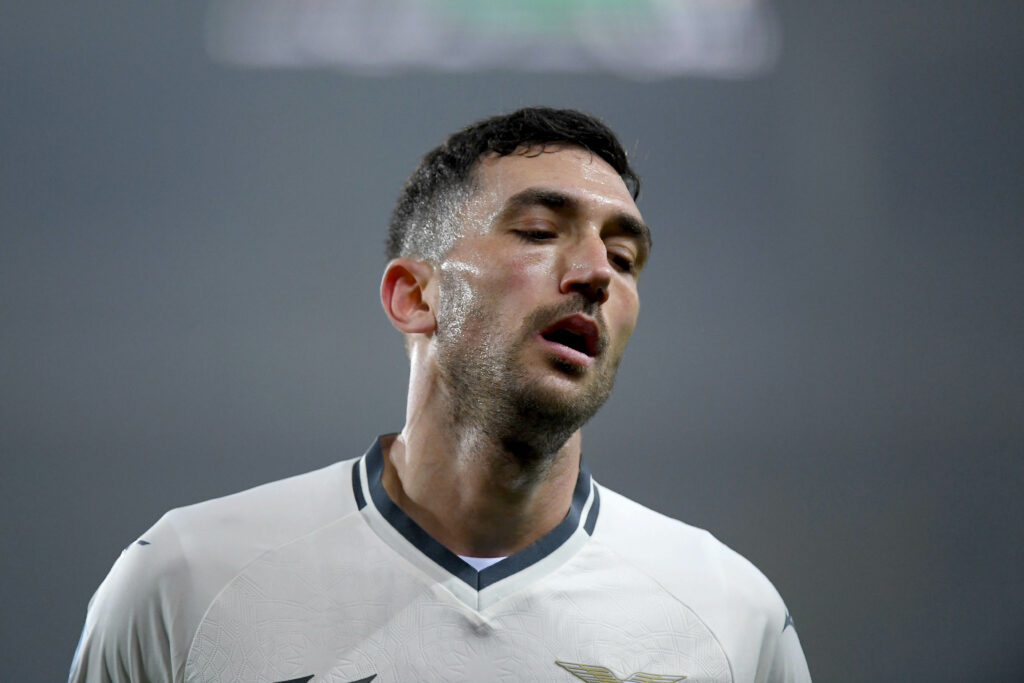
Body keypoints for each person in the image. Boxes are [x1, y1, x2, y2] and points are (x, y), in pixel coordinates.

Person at [69, 107, 811, 682]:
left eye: (623, 257)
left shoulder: (728, 617)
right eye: (538, 231)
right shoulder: (188, 582)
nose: (596, 274)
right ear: (415, 296)